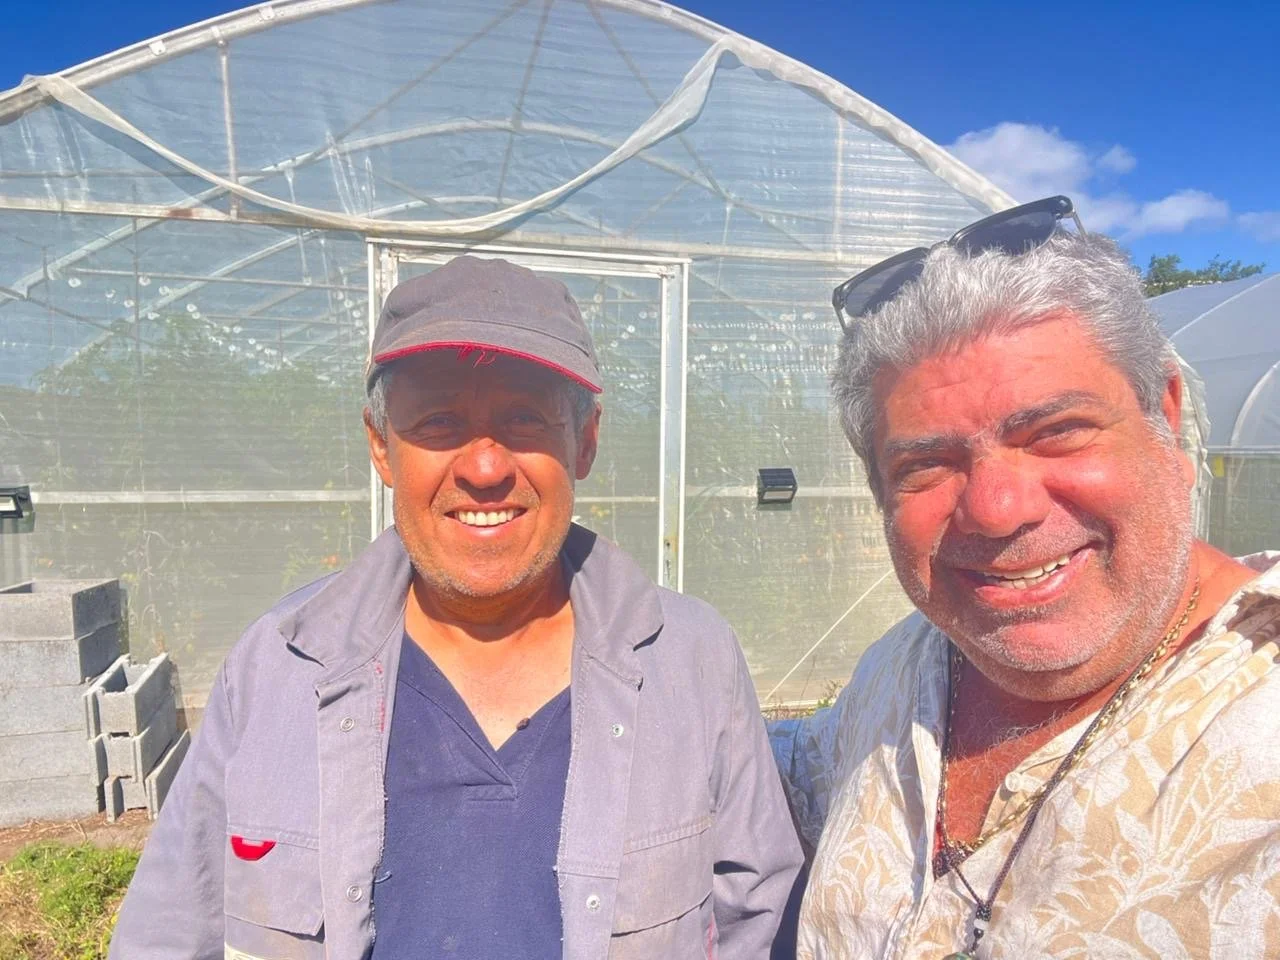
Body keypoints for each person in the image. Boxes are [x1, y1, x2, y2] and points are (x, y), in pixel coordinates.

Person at [111, 256, 802, 960]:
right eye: (439, 421)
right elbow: (167, 936)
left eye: (525, 419)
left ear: (585, 441)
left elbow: (761, 920)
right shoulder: (274, 671)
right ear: (381, 447)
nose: (483, 468)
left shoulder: (692, 664)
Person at [771, 197, 1280, 958]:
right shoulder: (904, 667)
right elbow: (776, 773)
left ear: (1166, 417)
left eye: (1055, 433)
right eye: (927, 465)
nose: (996, 509)